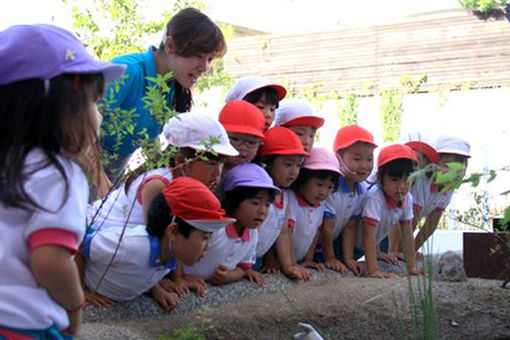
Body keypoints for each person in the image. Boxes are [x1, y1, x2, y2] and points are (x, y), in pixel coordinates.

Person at [0, 24, 125, 338]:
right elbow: (50, 262)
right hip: (21, 325)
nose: (99, 115)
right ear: (56, 106)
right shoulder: (59, 174)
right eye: (94, 102)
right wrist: (74, 307)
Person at [101, 8, 227, 178]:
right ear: (169, 46)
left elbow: (147, 138)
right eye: (198, 56)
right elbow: (82, 128)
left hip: (113, 169)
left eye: (210, 59)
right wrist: (99, 180)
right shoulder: (127, 71)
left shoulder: (173, 87)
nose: (204, 68)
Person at [81, 177, 234, 310]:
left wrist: (156, 290)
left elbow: (142, 269)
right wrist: (81, 290)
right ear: (173, 232)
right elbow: (79, 246)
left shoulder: (169, 253)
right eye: (205, 237)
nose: (208, 246)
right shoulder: (131, 245)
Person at [89, 112, 238, 232]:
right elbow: (156, 235)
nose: (218, 173)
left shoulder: (186, 182)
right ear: (181, 161)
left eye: (221, 163)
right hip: (100, 236)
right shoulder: (158, 184)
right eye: (211, 164)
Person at [184, 163, 279, 286]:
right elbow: (177, 252)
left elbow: (244, 267)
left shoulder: (252, 234)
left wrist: (229, 276)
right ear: (234, 200)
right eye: (255, 203)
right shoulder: (213, 226)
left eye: (267, 205)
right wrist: (180, 277)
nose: (262, 211)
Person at [319, 125, 377, 276]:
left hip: (334, 243)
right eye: (357, 159)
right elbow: (326, 226)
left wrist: (349, 258)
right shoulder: (332, 188)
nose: (364, 166)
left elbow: (351, 226)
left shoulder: (362, 190)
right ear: (338, 158)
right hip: (315, 248)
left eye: (369, 159)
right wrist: (330, 258)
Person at [358, 144, 422, 279]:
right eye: (394, 180)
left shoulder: (407, 198)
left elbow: (407, 233)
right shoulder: (375, 197)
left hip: (364, 248)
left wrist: (411, 267)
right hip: (351, 247)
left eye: (407, 180)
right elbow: (367, 235)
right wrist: (374, 270)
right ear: (380, 179)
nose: (401, 186)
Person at [256, 127, 311, 280]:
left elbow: (283, 232)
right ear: (268, 163)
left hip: (255, 261)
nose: (294, 171)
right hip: (236, 263)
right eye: (288, 165)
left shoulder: (283, 196)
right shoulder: (255, 193)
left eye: (298, 165)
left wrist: (289, 266)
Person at [413, 135, 471, 252]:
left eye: (460, 167)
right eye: (447, 165)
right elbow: (410, 221)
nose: (453, 172)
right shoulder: (421, 182)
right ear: (434, 163)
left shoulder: (448, 188)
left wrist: (413, 250)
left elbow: (431, 224)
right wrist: (404, 252)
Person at [288, 148, 340, 270]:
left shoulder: (321, 205)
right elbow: (284, 234)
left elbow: (314, 232)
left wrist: (309, 259)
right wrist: (288, 263)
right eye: (319, 185)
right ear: (303, 178)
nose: (323, 192)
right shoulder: (290, 199)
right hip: (283, 262)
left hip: (298, 261)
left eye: (330, 187)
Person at [218, 100, 266, 172]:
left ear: (260, 144)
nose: (242, 147)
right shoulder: (204, 167)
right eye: (235, 139)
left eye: (251, 142)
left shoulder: (258, 174)